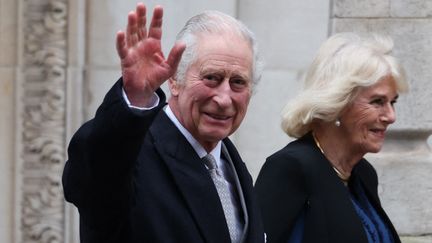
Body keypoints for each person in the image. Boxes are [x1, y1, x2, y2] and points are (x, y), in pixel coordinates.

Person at [62, 3, 264, 243]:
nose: (223, 98)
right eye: (212, 78)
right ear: (175, 81)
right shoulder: (134, 153)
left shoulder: (229, 160)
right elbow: (91, 177)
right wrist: (135, 98)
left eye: (238, 82)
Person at [255, 32, 408, 243]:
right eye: (377, 101)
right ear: (337, 103)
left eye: (393, 102)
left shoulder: (363, 173)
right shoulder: (291, 168)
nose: (391, 116)